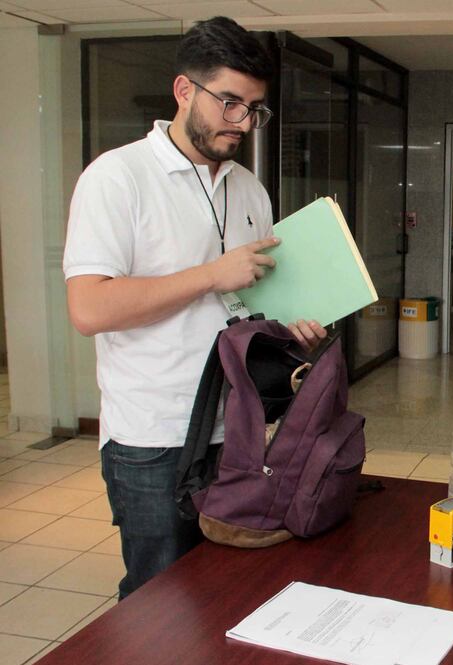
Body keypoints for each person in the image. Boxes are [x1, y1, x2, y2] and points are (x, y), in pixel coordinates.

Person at [63, 16, 326, 599]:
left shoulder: (248, 188)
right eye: (230, 103)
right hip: (154, 439)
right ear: (184, 91)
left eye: (255, 109)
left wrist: (290, 329)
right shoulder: (118, 178)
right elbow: (89, 308)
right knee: (160, 606)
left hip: (236, 429)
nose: (243, 122)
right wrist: (212, 274)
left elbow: (247, 302)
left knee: (227, 593)